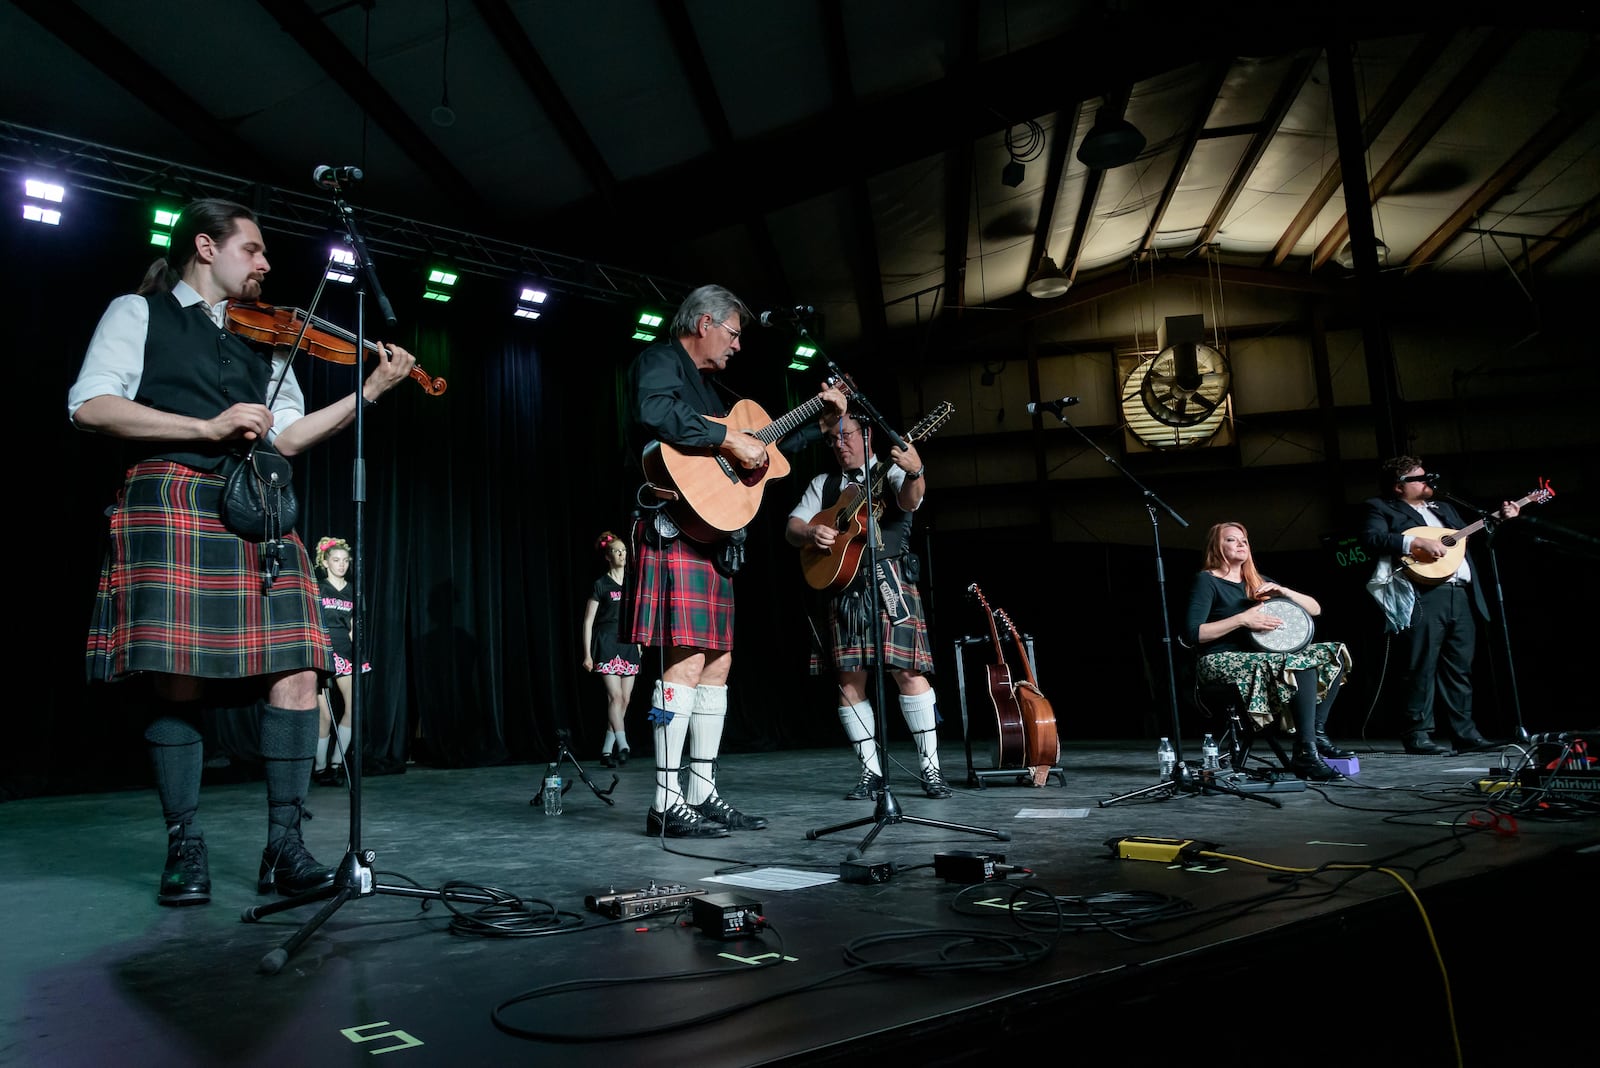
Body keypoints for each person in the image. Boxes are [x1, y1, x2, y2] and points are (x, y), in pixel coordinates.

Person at [67, 198, 418, 905]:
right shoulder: (138, 313)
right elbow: (89, 405)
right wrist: (207, 425)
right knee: (178, 678)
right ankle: (184, 847)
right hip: (173, 498)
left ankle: (284, 848)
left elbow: (287, 436)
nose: (264, 265)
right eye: (253, 250)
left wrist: (370, 391)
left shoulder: (268, 339)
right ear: (206, 246)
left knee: (300, 666)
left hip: (257, 505)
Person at [622, 284, 846, 838]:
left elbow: (759, 454)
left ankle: (701, 793)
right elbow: (655, 414)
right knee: (685, 663)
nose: (738, 345)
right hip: (675, 527)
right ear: (704, 323)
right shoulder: (659, 360)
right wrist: (726, 442)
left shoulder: (717, 390)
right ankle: (665, 802)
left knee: (718, 664)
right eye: (733, 332)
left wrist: (817, 423)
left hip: (715, 539)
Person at [786, 410, 953, 800]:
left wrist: (915, 471)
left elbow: (910, 501)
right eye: (832, 441)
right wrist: (812, 531)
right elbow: (793, 527)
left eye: (846, 436)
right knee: (848, 680)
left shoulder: (890, 470)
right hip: (844, 587)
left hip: (890, 581)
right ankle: (870, 773)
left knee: (908, 673)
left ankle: (931, 770)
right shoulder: (823, 484)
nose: (839, 445)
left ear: (868, 435)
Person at [1360, 456, 1520, 754]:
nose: (1427, 482)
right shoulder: (1380, 507)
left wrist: (1499, 519)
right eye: (1418, 478)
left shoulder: (1444, 509)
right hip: (1424, 595)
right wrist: (1416, 543)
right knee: (1420, 665)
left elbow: (1471, 538)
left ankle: (1465, 733)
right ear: (1398, 487)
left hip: (1460, 594)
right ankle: (1418, 733)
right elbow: (1372, 538)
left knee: (1459, 667)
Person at [1185, 522, 1353, 781]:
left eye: (1244, 540)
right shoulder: (1207, 580)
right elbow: (1193, 634)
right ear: (1216, 546)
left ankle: (1315, 736)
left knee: (1333, 652)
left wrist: (1284, 592)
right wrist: (1243, 619)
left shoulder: (1257, 582)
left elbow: (1316, 609)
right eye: (1232, 540)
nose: (1241, 544)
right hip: (1219, 659)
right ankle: (1306, 753)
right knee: (1297, 662)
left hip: (1263, 658)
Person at [311, 536, 369, 786]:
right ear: (325, 562)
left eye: (345, 561)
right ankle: (320, 768)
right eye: (336, 560)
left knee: (353, 709)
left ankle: (336, 763)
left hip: (345, 653)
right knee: (324, 717)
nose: (341, 565)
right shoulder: (317, 588)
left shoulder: (353, 591)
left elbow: (355, 627)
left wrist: (357, 647)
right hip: (322, 653)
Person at [581, 530, 640, 768]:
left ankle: (606, 751)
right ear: (608, 556)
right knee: (614, 696)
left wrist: (639, 642)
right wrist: (587, 654)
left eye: (624, 551)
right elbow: (588, 621)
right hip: (606, 643)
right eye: (617, 551)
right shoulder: (601, 584)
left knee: (624, 700)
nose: (622, 555)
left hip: (628, 644)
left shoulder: (632, 582)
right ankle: (623, 744)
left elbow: (637, 617)